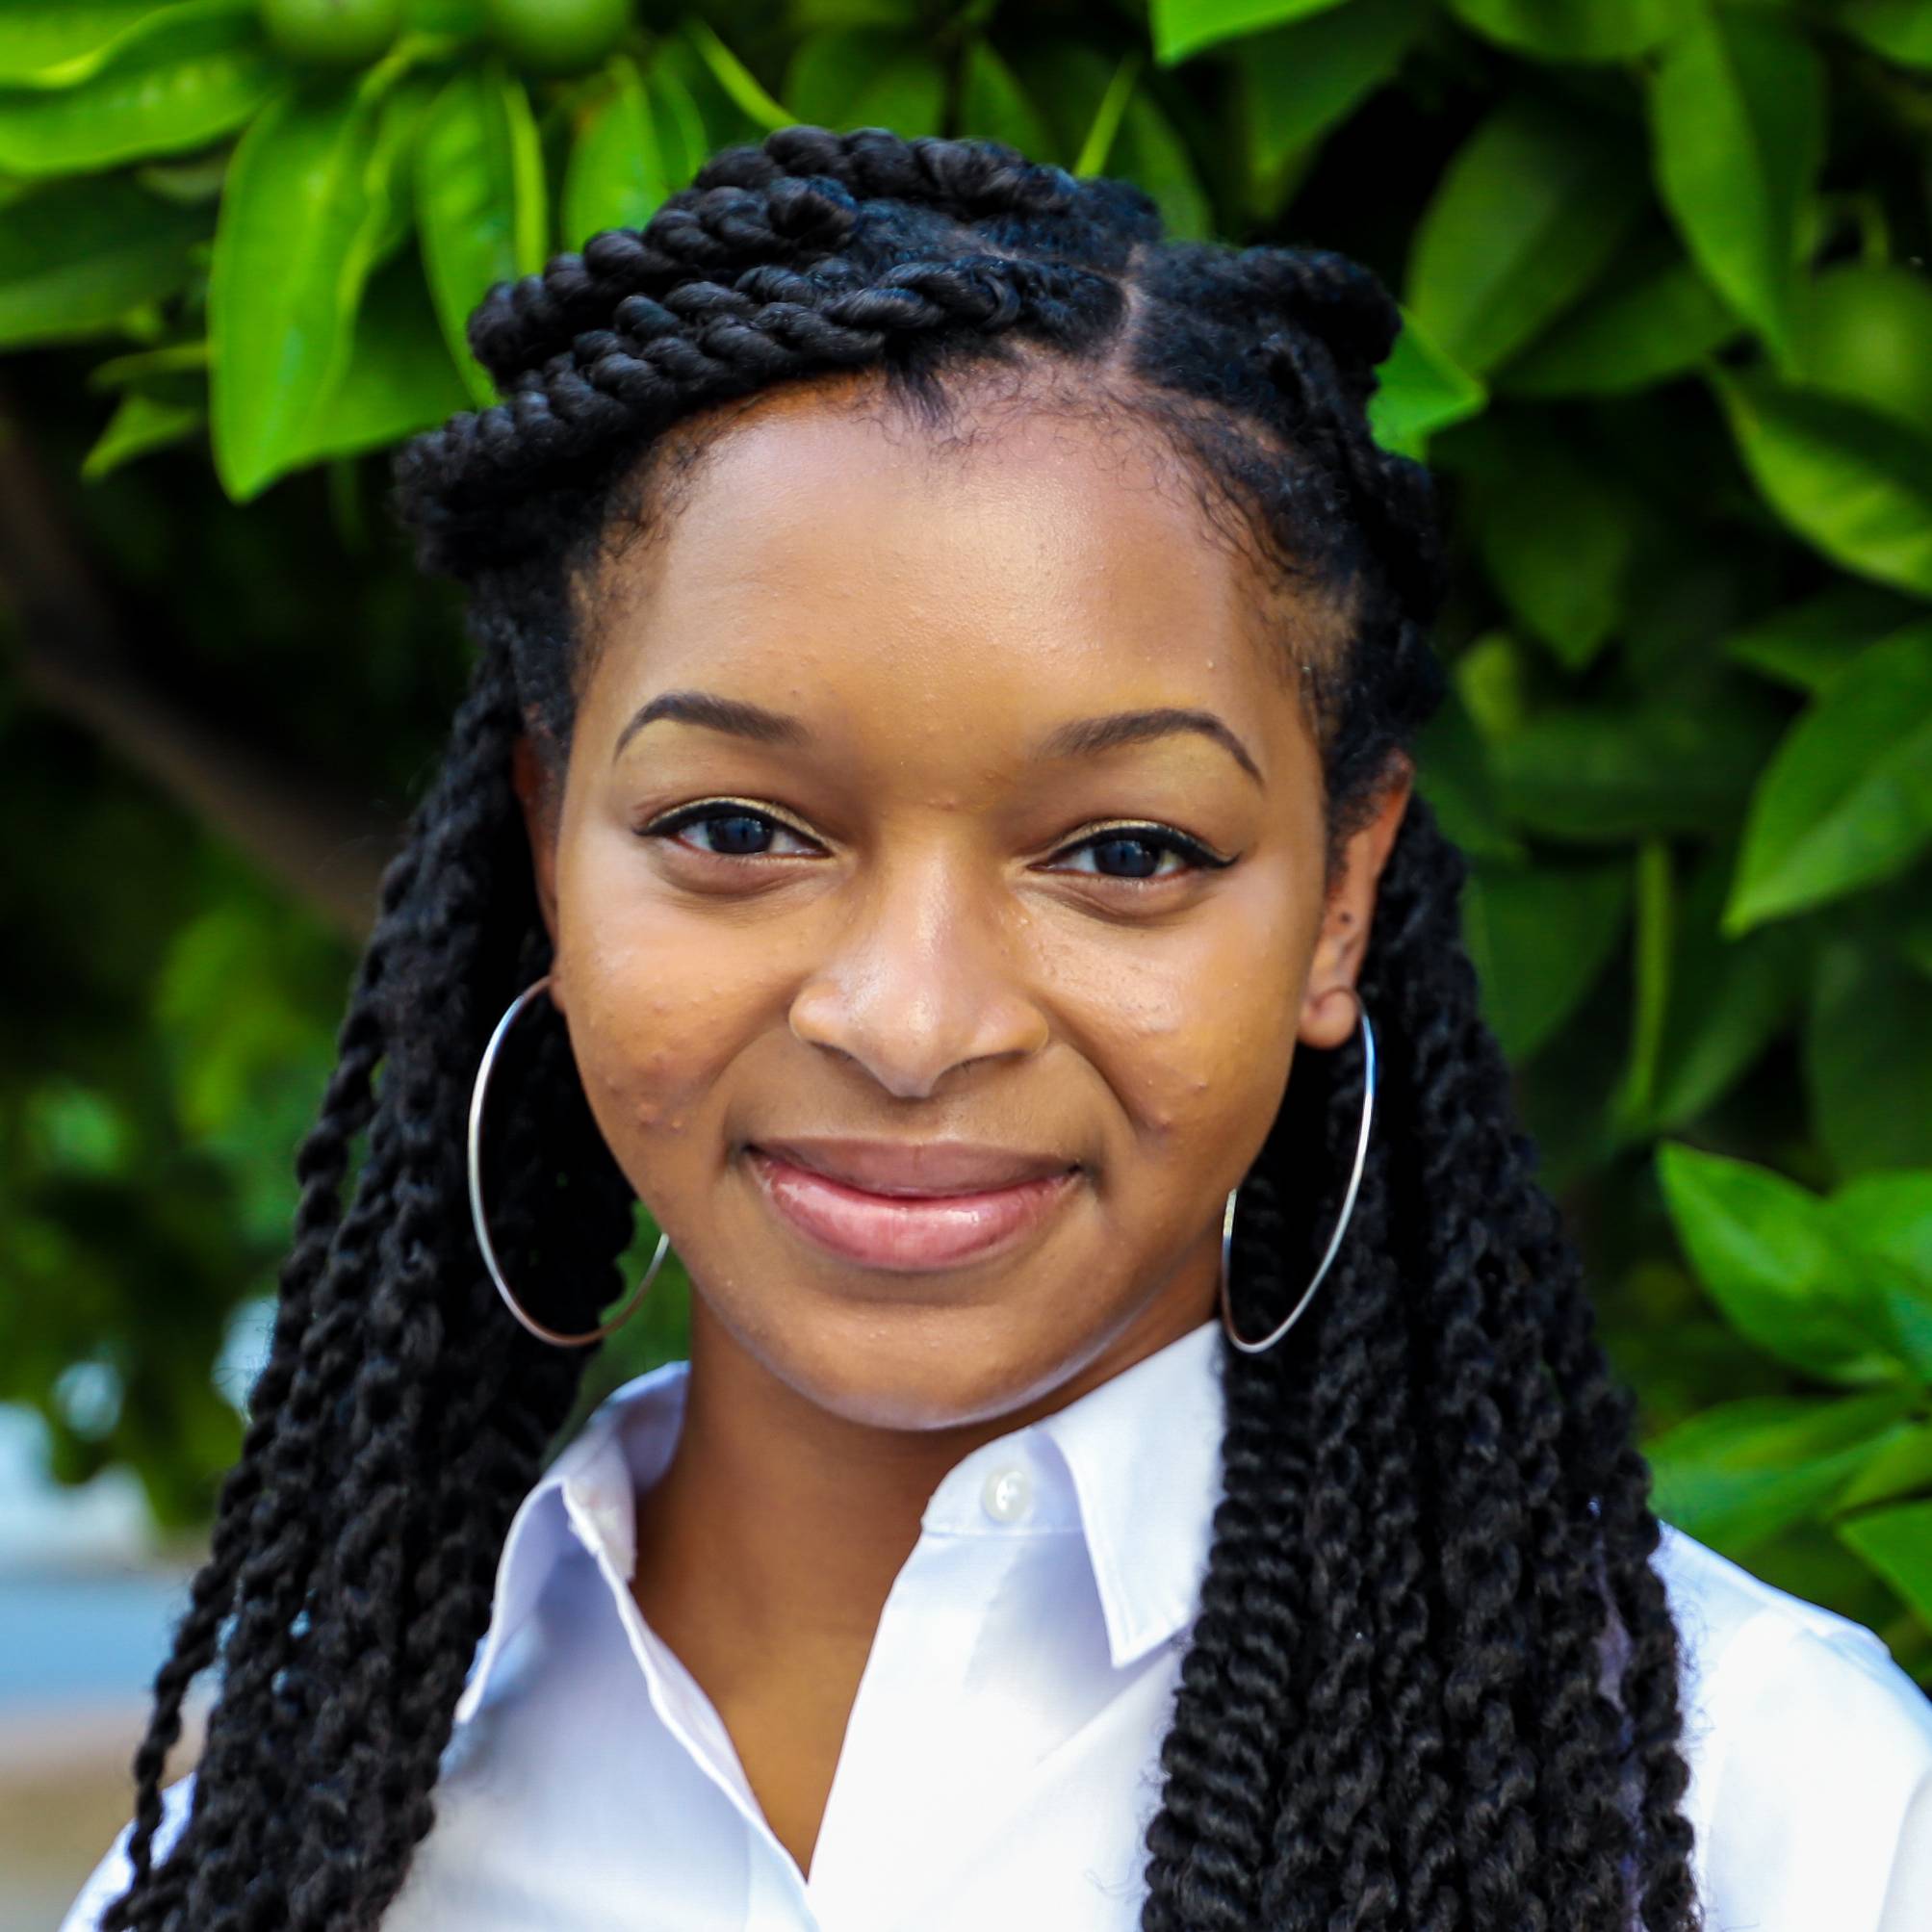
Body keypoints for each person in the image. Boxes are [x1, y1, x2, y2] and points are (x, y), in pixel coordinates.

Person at [64, 125, 1931, 1932]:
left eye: (1122, 850)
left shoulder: (1785, 1815)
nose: (908, 1018)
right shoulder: (273, 1842)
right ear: (552, 843)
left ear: (1337, 898)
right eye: (734, 828)